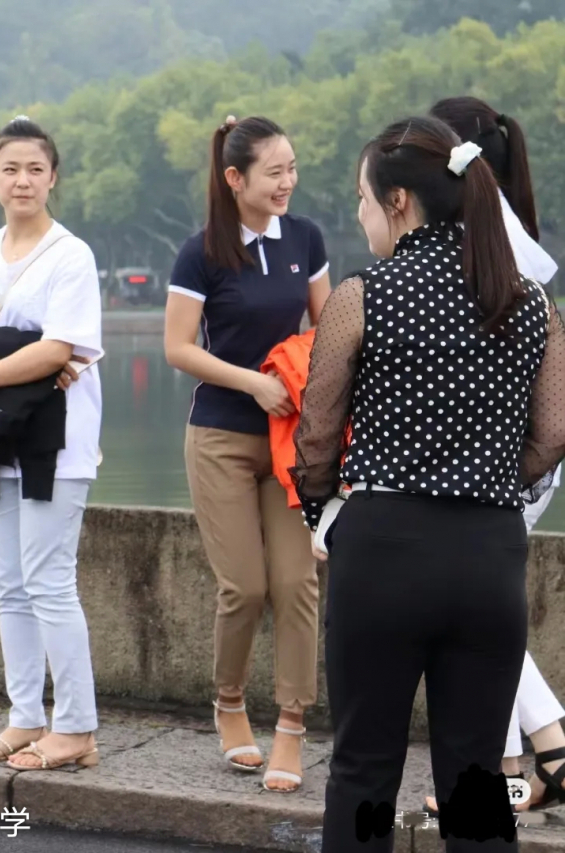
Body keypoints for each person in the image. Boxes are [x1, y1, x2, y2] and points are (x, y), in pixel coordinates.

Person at [292, 115, 565, 852]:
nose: (360, 213)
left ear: (401, 202)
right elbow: (552, 435)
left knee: (363, 770)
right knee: (477, 780)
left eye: (362, 197)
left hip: (381, 549)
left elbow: (316, 433)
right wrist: (490, 481)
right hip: (487, 553)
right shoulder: (530, 303)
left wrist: (325, 513)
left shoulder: (364, 295)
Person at [163, 115, 331, 792]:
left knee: (297, 582)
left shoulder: (307, 239)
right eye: (274, 172)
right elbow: (178, 348)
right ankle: (229, 702)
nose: (288, 182)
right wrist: (253, 382)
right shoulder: (201, 251)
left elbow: (328, 332)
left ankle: (291, 725)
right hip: (221, 438)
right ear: (236, 179)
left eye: (292, 168)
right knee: (246, 586)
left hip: (288, 441)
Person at [419, 97, 565, 815]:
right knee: (481, 607)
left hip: (498, 457)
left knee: (469, 611)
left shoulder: (479, 235)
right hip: (527, 451)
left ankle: (539, 748)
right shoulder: (510, 231)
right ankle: (512, 771)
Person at [0, 116, 103, 772]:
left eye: (35, 168)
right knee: (10, 584)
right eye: (10, 168)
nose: (22, 179)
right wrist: (28, 350)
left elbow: (60, 349)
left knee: (48, 580)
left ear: (53, 176)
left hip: (56, 441)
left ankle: (77, 726)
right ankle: (25, 717)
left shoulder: (72, 254)